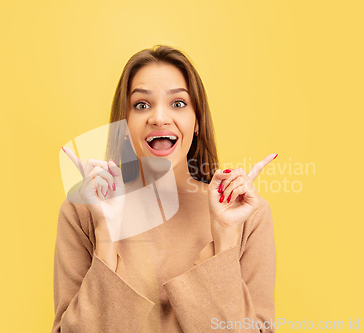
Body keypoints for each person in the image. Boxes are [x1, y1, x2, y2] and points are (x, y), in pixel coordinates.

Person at [52, 45, 277, 332]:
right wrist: (106, 235)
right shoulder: (82, 210)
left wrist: (225, 243)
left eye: (178, 103)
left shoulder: (246, 214)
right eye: (141, 105)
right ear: (124, 125)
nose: (158, 117)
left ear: (197, 122)